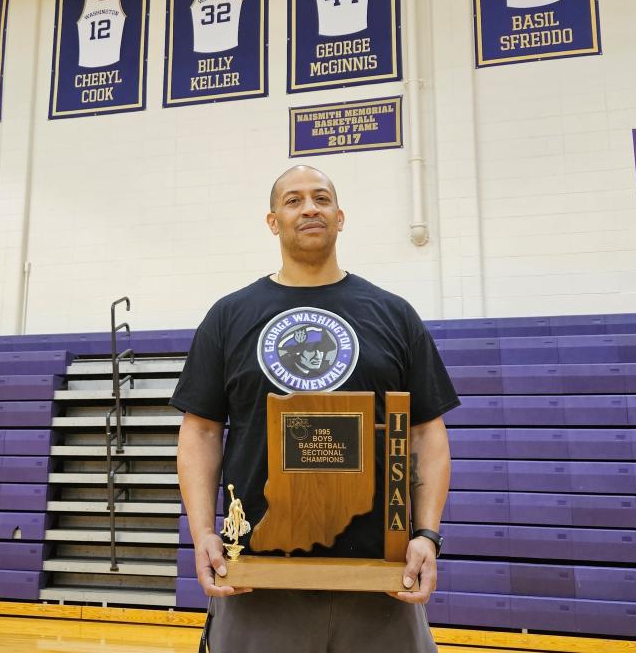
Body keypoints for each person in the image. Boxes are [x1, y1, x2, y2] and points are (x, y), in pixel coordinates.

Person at [171, 165, 458, 653]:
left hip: (380, 577)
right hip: (256, 575)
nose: (309, 208)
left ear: (340, 217)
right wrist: (201, 533)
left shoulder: (393, 314)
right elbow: (199, 433)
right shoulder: (229, 315)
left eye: (321, 199)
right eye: (294, 200)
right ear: (272, 220)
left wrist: (427, 534)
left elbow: (427, 434)